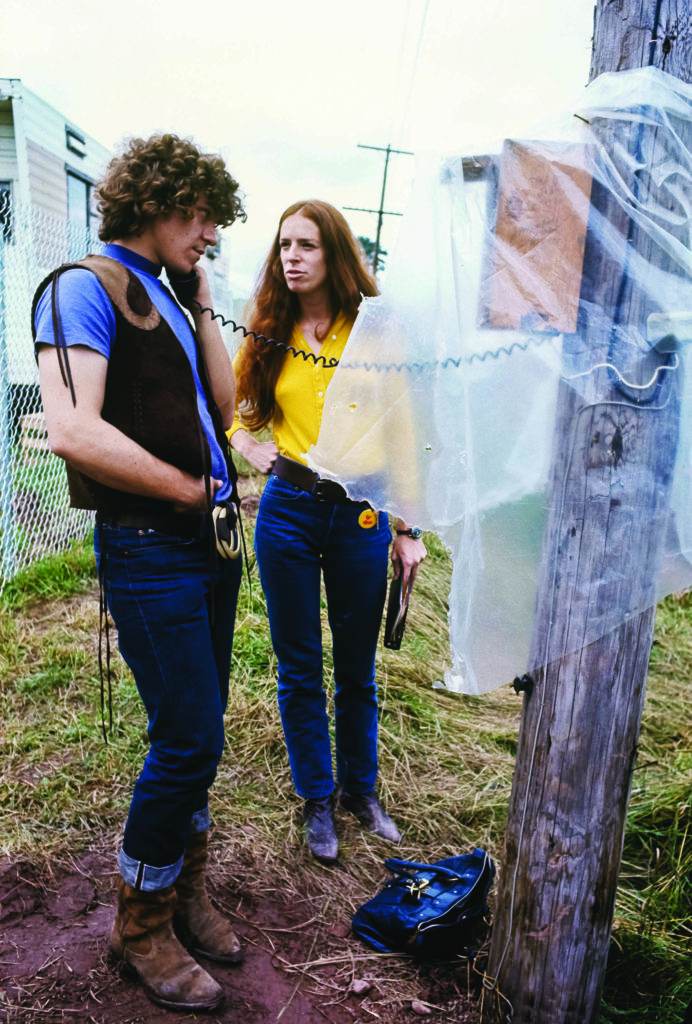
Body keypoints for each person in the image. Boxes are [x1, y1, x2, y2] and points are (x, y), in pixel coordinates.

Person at [32, 134, 245, 1013]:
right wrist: (190, 493)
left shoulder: (166, 290)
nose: (213, 236)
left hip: (212, 544)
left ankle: (183, 889)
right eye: (203, 218)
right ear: (160, 202)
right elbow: (73, 432)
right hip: (153, 544)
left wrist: (199, 304)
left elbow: (228, 409)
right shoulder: (82, 289)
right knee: (188, 736)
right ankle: (142, 921)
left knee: (202, 730)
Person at [230, 200, 427, 864]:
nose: (291, 255)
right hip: (286, 509)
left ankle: (361, 792)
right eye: (284, 243)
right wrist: (246, 445)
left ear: (333, 253)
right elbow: (238, 411)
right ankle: (317, 798)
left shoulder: (375, 332)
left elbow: (402, 433)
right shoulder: (266, 326)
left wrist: (409, 529)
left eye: (306, 244)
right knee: (297, 665)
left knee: (356, 667)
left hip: (360, 513)